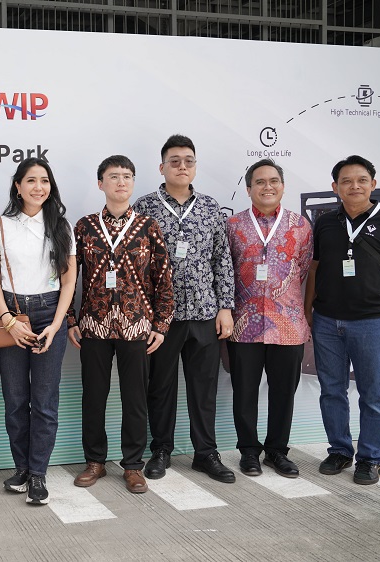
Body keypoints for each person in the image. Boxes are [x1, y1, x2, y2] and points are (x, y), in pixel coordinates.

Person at [305, 155, 380, 485]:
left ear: (373, 184)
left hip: (370, 322)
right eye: (346, 181)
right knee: (332, 391)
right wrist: (307, 311)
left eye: (361, 180)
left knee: (372, 394)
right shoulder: (325, 223)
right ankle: (340, 451)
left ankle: (371, 458)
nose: (354, 186)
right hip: (327, 321)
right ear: (335, 187)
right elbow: (314, 269)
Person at [133, 134, 236, 483]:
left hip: (205, 313)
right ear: (161, 167)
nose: (182, 166)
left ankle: (206, 453)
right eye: (174, 161)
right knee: (161, 387)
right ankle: (161, 450)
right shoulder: (145, 207)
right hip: (162, 319)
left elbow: (222, 259)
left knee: (203, 389)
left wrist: (225, 307)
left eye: (188, 161)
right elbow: (137, 266)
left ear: (195, 166)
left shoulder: (209, 207)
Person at [69, 155, 174, 494]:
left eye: (127, 176)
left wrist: (161, 325)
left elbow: (163, 277)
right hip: (94, 325)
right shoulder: (85, 226)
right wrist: (70, 319)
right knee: (93, 396)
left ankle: (132, 465)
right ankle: (95, 461)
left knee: (135, 398)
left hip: (136, 326)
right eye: (113, 176)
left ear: (133, 182)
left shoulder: (148, 226)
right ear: (101, 183)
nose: (121, 182)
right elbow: (68, 277)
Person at [0, 157, 76, 505]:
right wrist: (8, 319)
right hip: (12, 313)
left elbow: (68, 282)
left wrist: (56, 324)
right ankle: (21, 468)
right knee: (15, 400)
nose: (39, 187)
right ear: (18, 186)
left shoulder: (61, 227)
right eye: (31, 180)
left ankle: (38, 473)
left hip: (49, 313)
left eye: (44, 180)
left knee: (44, 401)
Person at [226, 159, 312, 478]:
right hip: (243, 324)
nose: (267, 187)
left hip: (288, 325)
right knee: (244, 392)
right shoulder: (233, 225)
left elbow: (303, 270)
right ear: (249, 189)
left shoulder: (300, 226)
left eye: (273, 181)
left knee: (283, 394)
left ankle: (277, 451)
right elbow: (226, 271)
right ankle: (249, 451)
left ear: (283, 187)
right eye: (260, 182)